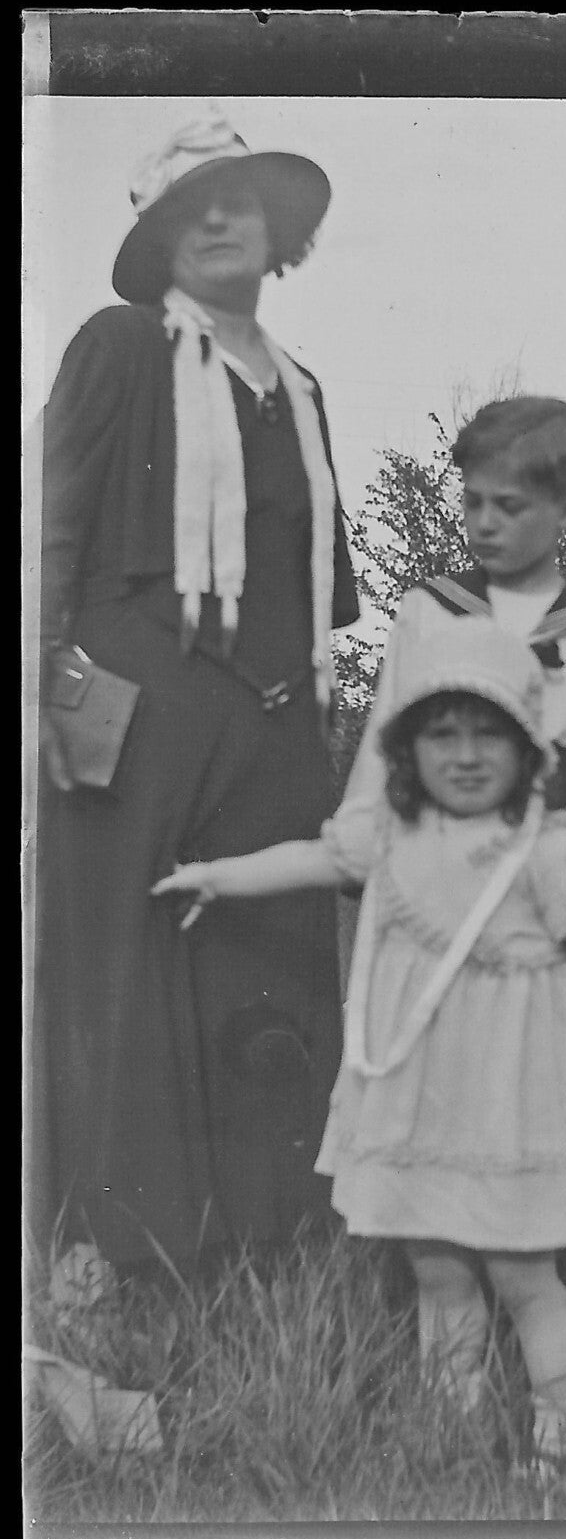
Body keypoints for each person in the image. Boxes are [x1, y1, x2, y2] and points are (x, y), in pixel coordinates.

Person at [154, 622, 566, 1472]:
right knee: (439, 1272)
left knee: (524, 1277)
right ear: (407, 748)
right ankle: (452, 1430)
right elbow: (311, 859)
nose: (465, 756)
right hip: (417, 1094)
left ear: (528, 746)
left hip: (512, 1101)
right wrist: (219, 877)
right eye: (442, 734)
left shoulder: (548, 852)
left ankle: (558, 1443)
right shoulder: (394, 836)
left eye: (489, 735)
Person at [34, 111, 361, 1272]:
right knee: (127, 965)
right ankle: (120, 1249)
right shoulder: (120, 346)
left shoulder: (302, 389)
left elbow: (321, 592)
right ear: (159, 240)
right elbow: (47, 526)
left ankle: (274, 1241)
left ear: (281, 231)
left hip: (275, 720)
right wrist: (46, 693)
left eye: (241, 198)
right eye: (191, 206)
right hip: (137, 708)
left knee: (271, 956)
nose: (219, 218)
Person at [341, 396, 566, 900]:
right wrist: (359, 847)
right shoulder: (430, 610)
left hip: (543, 887)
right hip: (432, 871)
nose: (485, 523)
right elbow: (382, 746)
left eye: (509, 506)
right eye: (473, 502)